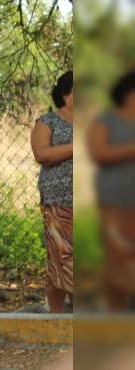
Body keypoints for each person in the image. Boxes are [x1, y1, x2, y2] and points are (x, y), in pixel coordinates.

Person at [87, 70, 135, 311]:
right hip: (116, 199)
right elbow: (98, 153)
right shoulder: (105, 121)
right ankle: (114, 316)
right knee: (117, 255)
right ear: (127, 94)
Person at [30, 71, 73, 313]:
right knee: (60, 261)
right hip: (59, 202)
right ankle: (56, 320)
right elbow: (42, 154)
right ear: (67, 93)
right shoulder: (48, 122)